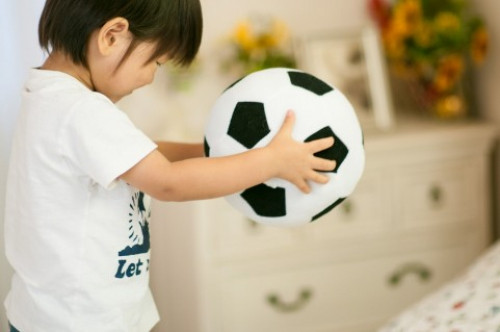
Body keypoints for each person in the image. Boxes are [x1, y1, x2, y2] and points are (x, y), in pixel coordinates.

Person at [3, 0, 336, 331]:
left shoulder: (51, 99)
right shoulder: (80, 110)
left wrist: (212, 153)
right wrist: (271, 161)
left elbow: (144, 156)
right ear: (112, 36)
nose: (150, 78)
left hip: (57, 315)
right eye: (157, 62)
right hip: (81, 322)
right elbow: (167, 182)